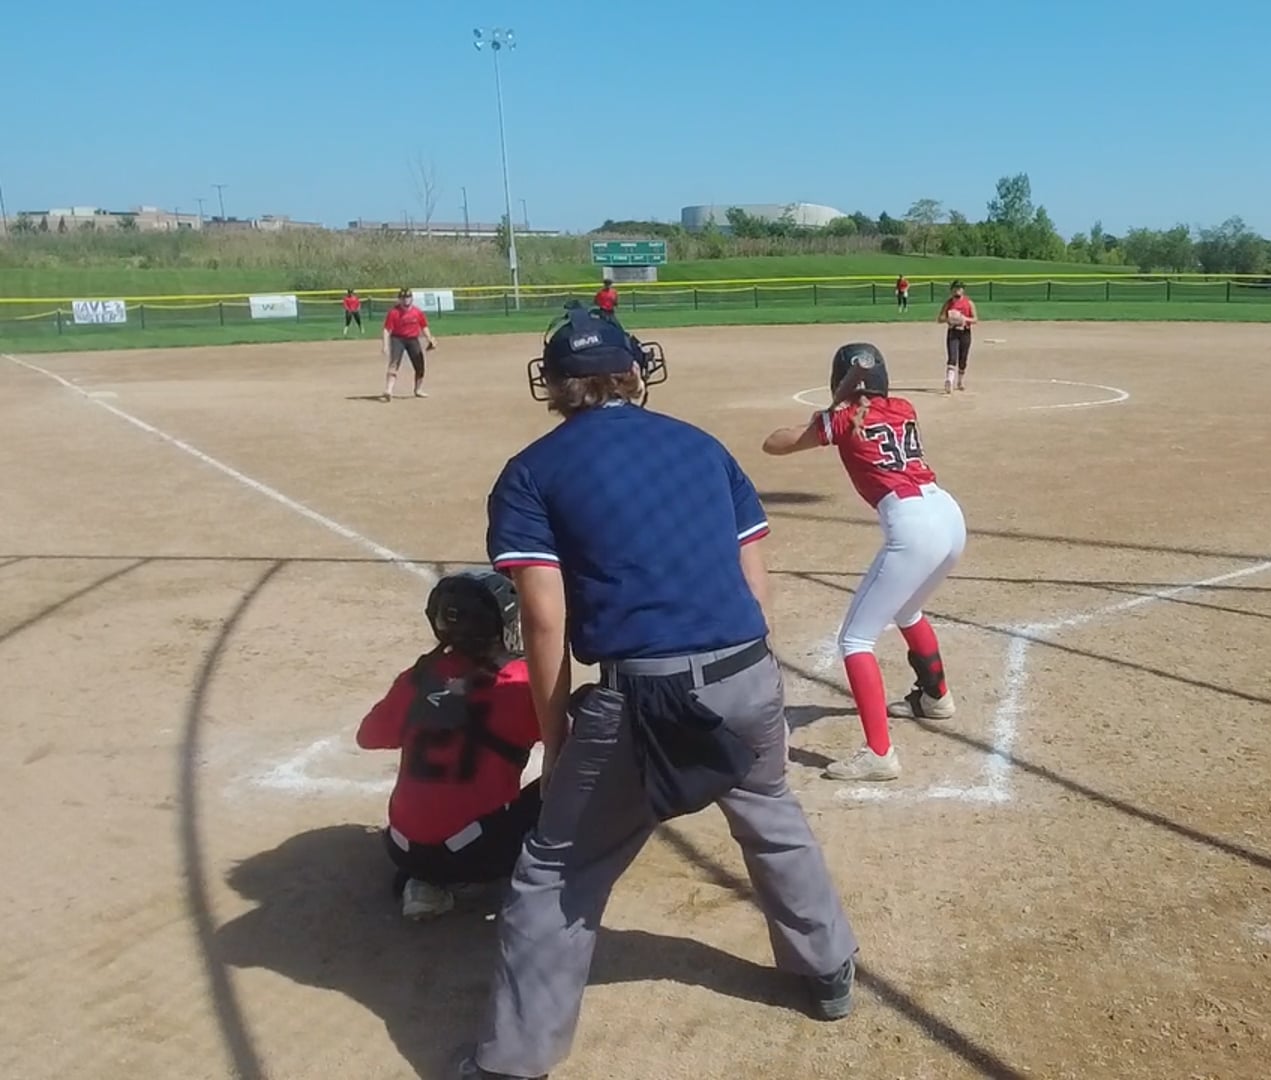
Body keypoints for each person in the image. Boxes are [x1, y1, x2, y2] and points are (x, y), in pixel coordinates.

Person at [464, 306, 857, 1080]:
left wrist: (556, 739)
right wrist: (751, 680)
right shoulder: (702, 446)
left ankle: (513, 1061)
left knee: (556, 867)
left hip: (641, 698)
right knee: (770, 810)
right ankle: (828, 969)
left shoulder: (532, 471)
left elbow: (544, 620)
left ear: (554, 384)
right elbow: (755, 582)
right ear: (634, 373)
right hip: (747, 670)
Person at [761, 343, 967, 782]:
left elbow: (773, 444)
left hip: (913, 525)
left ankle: (879, 754)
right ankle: (936, 698)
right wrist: (833, 414)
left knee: (855, 641)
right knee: (907, 609)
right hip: (949, 516)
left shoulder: (841, 420)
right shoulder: (904, 407)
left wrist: (824, 416)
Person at [355, 570, 542, 921]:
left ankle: (426, 882)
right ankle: (545, 885)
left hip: (403, 850)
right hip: (477, 854)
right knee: (567, 781)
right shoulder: (519, 683)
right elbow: (574, 743)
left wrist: (437, 702)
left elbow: (368, 736)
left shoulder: (419, 676)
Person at [380, 288, 437, 402]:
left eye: (408, 297)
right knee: (394, 363)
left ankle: (418, 389)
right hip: (397, 339)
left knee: (419, 365)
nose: (405, 300)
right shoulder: (394, 312)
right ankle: (388, 390)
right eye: (403, 298)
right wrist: (385, 345)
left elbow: (424, 326)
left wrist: (429, 339)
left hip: (412, 339)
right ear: (399, 299)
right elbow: (387, 329)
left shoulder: (417, 312)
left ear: (411, 298)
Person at [936, 281, 977, 394]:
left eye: (960, 288)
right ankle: (949, 380)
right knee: (952, 356)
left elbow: (975, 319)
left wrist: (964, 319)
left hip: (965, 332)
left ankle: (960, 381)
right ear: (951, 290)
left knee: (963, 359)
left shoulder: (969, 303)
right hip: (953, 332)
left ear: (963, 290)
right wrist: (948, 319)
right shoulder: (948, 303)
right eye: (955, 288)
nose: (957, 290)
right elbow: (939, 319)